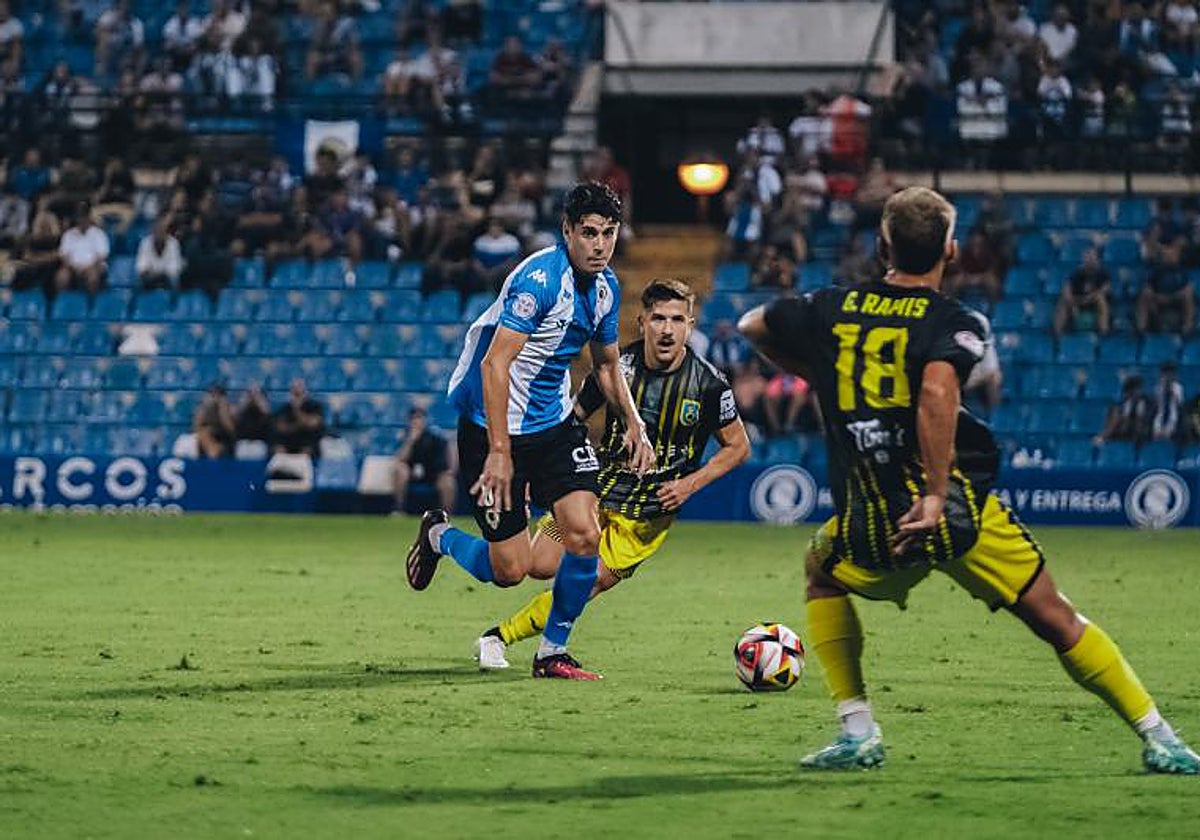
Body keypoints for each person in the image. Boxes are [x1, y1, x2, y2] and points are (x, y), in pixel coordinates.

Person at [739, 186, 1198, 774]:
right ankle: (1159, 736)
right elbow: (936, 390)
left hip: (875, 520)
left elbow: (755, 324)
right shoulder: (953, 320)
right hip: (957, 510)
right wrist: (934, 495)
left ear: (882, 246)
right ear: (951, 251)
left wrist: (821, 373)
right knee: (1056, 617)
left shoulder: (833, 306)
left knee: (821, 571)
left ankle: (858, 730)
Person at [404, 182, 656, 681]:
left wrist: (634, 421)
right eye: (588, 233)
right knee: (511, 570)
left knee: (585, 535)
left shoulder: (606, 289)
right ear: (567, 232)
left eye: (608, 234)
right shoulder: (538, 282)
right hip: (491, 430)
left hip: (555, 427)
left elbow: (606, 366)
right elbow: (495, 366)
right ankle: (438, 535)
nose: (599, 245)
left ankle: (551, 653)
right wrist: (500, 453)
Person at [475, 279, 751, 669]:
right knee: (532, 565)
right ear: (642, 322)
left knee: (589, 582)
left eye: (677, 319)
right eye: (658, 319)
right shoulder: (616, 370)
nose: (667, 329)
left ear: (691, 325)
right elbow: (572, 419)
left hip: (644, 517)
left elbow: (739, 447)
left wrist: (689, 485)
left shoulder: (709, 386)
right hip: (595, 492)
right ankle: (444, 539)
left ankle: (499, 638)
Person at [394, 406, 456, 513]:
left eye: (419, 418)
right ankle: (399, 509)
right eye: (413, 419)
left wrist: (445, 472)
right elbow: (400, 459)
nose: (416, 422)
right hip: (411, 474)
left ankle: (446, 514)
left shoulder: (436, 438)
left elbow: (445, 463)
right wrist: (411, 441)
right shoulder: (404, 437)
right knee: (400, 471)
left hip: (433, 474)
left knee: (448, 481)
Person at [1054, 247, 1111, 336]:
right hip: (1079, 300)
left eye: (1092, 257)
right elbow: (1066, 288)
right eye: (1086, 257)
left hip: (1093, 300)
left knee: (1101, 299)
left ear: (1097, 259)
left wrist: (1090, 297)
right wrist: (1072, 303)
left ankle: (1103, 332)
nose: (1089, 260)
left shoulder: (1103, 273)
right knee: (1062, 302)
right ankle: (1058, 334)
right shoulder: (1077, 273)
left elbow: (1104, 290)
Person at [273, 378, 326, 457]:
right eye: (294, 389)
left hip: (308, 443)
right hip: (288, 442)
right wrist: (300, 424)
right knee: (277, 446)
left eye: (300, 389)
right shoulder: (284, 408)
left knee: (309, 447)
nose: (297, 392)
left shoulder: (316, 406)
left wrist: (297, 409)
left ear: (306, 391)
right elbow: (281, 427)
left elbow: (312, 424)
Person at [193, 384, 236, 458]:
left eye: (217, 395)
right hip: (207, 439)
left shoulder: (230, 409)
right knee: (204, 434)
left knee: (215, 447)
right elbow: (196, 427)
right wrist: (205, 408)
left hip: (225, 439)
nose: (214, 398)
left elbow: (231, 430)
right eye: (212, 395)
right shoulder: (203, 409)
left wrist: (223, 409)